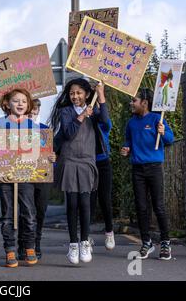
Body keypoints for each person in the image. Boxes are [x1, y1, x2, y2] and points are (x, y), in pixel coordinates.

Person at [0, 89, 56, 268]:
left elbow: (43, 152)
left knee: (29, 213)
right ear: (7, 104)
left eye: (23, 101)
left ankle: (29, 246)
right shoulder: (0, 123)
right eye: (16, 101)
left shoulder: (34, 127)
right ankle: (10, 250)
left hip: (26, 176)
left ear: (28, 105)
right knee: (7, 215)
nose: (20, 104)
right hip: (5, 177)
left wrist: (50, 157)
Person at [49, 78, 109, 264]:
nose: (75, 96)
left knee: (85, 203)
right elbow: (68, 132)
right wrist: (82, 115)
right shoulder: (65, 111)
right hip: (69, 161)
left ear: (86, 94)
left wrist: (101, 95)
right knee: (72, 204)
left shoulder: (95, 110)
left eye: (79, 93)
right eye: (72, 93)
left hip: (87, 162)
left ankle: (84, 241)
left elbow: (106, 123)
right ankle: (73, 244)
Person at [120, 88, 174, 260]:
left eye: (134, 100)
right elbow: (128, 141)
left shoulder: (158, 119)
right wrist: (126, 149)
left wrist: (163, 132)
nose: (131, 103)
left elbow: (170, 140)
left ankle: (165, 242)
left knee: (158, 206)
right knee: (141, 207)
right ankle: (146, 242)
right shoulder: (131, 123)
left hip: (154, 168)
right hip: (138, 169)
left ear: (144, 102)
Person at [17, 98, 51, 260]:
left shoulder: (45, 130)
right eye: (28, 113)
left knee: (40, 211)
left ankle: (36, 243)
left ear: (38, 112)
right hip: (24, 175)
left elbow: (53, 151)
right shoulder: (16, 129)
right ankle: (24, 245)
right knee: (26, 212)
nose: (31, 116)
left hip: (42, 176)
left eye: (34, 113)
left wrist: (54, 156)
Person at [89, 115, 115, 251]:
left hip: (103, 162)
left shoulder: (103, 121)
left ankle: (109, 232)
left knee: (105, 199)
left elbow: (106, 122)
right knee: (89, 200)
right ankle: (85, 236)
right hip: (88, 162)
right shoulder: (84, 120)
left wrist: (100, 102)